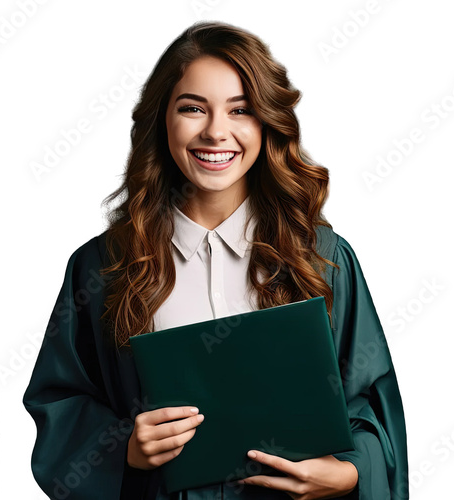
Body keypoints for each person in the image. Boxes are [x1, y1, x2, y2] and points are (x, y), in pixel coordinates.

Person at [23, 20, 409, 500]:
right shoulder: (103, 268)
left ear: (267, 123)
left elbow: (372, 405)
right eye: (192, 108)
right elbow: (59, 400)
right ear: (162, 119)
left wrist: (349, 473)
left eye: (240, 110)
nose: (215, 132)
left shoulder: (324, 259)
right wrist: (122, 445)